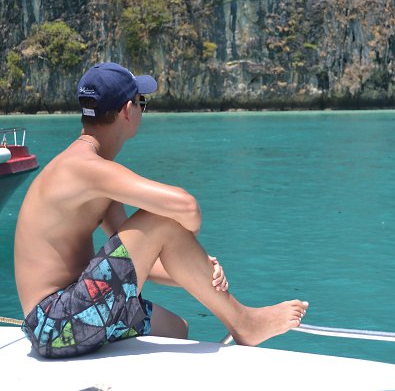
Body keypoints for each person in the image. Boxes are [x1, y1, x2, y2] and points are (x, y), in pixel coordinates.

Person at [14, 62, 308, 358]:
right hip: (54, 323)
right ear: (128, 110)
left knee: (175, 328)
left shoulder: (88, 170)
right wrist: (181, 233)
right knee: (162, 219)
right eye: (142, 102)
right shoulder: (85, 168)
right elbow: (187, 207)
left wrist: (200, 268)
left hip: (71, 313)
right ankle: (245, 322)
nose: (142, 110)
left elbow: (136, 258)